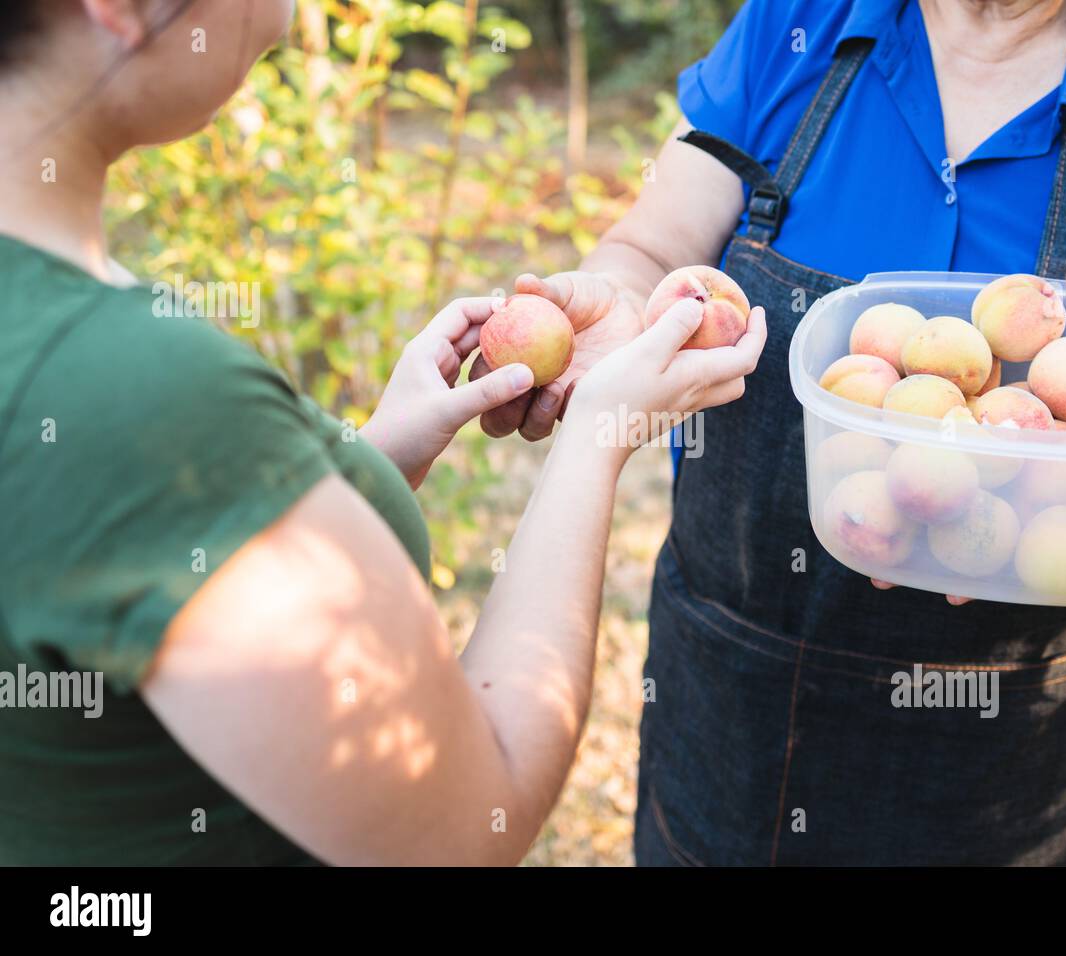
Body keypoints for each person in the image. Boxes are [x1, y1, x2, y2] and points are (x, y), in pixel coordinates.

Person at [477, 0, 1066, 864]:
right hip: (732, 670)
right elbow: (651, 247)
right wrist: (616, 308)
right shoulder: (793, 25)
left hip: (1002, 713)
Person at [0, 0, 765, 865]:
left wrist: (361, 461)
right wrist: (599, 433)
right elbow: (475, 820)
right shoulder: (145, 395)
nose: (285, 17)